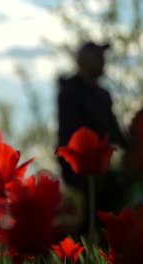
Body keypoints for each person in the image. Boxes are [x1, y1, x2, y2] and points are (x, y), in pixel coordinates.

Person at [56, 41, 129, 237]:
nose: (103, 62)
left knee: (105, 217)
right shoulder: (70, 91)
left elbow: (114, 132)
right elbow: (68, 135)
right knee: (83, 222)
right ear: (83, 60)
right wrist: (72, 170)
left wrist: (134, 149)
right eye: (99, 57)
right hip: (77, 169)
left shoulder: (103, 94)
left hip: (101, 171)